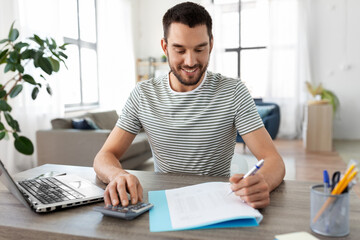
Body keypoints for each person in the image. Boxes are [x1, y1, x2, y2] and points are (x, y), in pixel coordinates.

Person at [93, 1, 285, 209]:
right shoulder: (143, 95)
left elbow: (273, 160)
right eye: (180, 50)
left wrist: (262, 182)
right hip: (164, 203)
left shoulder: (234, 92)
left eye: (200, 49)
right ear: (165, 47)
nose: (191, 61)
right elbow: (104, 156)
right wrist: (117, 175)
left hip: (218, 204)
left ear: (211, 44)